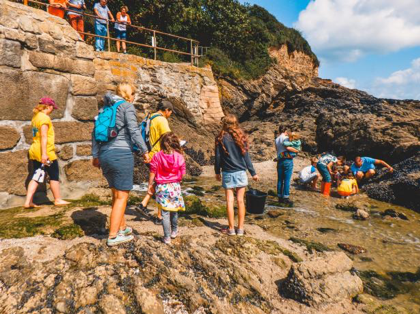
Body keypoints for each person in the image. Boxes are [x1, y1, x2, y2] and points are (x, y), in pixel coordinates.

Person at [92, 83, 149, 247]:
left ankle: (122, 227)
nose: (134, 96)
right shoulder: (126, 107)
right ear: (126, 94)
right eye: (133, 93)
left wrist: (95, 156)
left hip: (104, 155)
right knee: (122, 196)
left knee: (116, 194)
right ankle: (113, 235)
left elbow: (94, 134)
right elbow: (134, 130)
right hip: (121, 154)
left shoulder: (104, 109)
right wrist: (145, 151)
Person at [215, 114, 259, 236]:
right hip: (240, 172)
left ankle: (231, 229)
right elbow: (246, 157)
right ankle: (240, 229)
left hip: (228, 172)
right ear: (236, 123)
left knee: (229, 201)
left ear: (224, 124)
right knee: (240, 201)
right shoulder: (241, 137)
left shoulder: (220, 138)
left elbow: (218, 157)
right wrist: (253, 173)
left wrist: (217, 172)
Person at [24, 97, 70, 208]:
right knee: (54, 174)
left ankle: (28, 202)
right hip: (46, 152)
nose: (52, 110)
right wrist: (45, 154)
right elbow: (44, 136)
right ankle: (57, 199)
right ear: (48, 106)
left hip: (35, 150)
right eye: (52, 108)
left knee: (36, 176)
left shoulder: (35, 117)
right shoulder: (44, 118)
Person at [137, 100, 174, 225]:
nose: (170, 115)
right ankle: (159, 216)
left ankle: (144, 204)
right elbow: (168, 138)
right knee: (162, 185)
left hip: (150, 154)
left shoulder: (150, 117)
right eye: (170, 112)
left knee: (158, 183)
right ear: (166, 110)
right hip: (159, 156)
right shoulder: (162, 120)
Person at [148, 132, 186, 244]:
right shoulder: (179, 156)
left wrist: (150, 185)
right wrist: (178, 178)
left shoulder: (157, 156)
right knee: (174, 211)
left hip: (162, 187)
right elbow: (183, 172)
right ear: (175, 143)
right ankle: (174, 231)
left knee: (165, 213)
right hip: (175, 186)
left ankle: (167, 237)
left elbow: (152, 172)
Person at [275, 126, 299, 205]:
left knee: (280, 180)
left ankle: (279, 197)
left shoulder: (276, 139)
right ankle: (286, 197)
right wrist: (296, 150)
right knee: (287, 180)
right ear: (285, 131)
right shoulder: (285, 137)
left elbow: (277, 150)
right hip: (287, 160)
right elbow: (288, 147)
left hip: (280, 160)